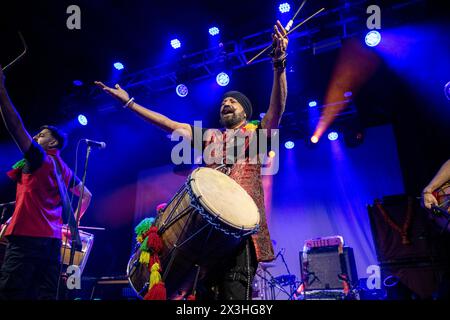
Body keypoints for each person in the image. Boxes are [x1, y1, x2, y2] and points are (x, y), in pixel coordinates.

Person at [95, 20, 288, 300]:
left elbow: (277, 110)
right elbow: (169, 124)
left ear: (245, 113)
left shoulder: (256, 134)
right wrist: (129, 103)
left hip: (239, 234)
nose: (226, 103)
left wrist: (279, 63)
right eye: (224, 101)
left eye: (233, 101)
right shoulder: (210, 136)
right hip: (204, 237)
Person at [0, 66, 92, 300]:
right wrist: (73, 223)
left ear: (52, 144)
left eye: (40, 135)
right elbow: (87, 195)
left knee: (12, 292)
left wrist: (1, 90)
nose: (34, 137)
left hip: (25, 240)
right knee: (44, 295)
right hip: (51, 244)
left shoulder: (39, 158)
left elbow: (15, 126)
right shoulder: (63, 167)